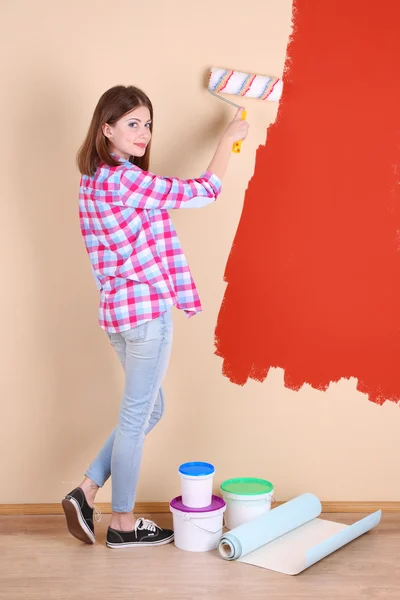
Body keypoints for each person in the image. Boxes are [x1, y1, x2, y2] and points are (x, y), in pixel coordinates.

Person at [61, 85, 249, 549]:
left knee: (149, 408)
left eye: (147, 124)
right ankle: (123, 525)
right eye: (132, 123)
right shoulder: (125, 180)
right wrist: (228, 140)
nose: (143, 132)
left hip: (117, 316)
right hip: (145, 314)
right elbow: (203, 192)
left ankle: (86, 491)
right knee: (134, 418)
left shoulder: (94, 181)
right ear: (106, 128)